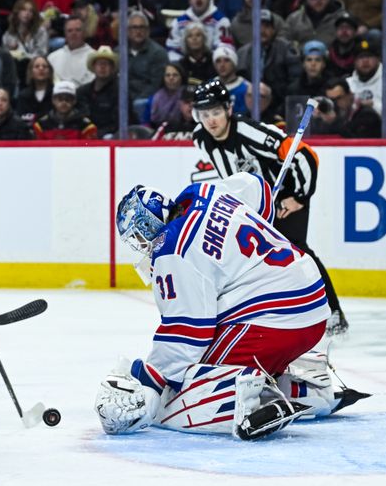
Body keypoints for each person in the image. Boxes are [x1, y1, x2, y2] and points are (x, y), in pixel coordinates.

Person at [94, 171, 368, 439]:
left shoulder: (172, 249)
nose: (140, 244)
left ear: (149, 224)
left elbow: (188, 330)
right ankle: (309, 387)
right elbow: (259, 190)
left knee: (181, 390)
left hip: (274, 320)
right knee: (197, 361)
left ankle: (250, 400)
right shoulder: (206, 193)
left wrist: (153, 380)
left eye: (138, 236)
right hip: (311, 301)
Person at [191, 79, 348, 335]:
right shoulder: (201, 137)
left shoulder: (248, 132)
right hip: (254, 207)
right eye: (204, 114)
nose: (211, 120)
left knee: (298, 253)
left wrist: (299, 197)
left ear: (229, 109)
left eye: (216, 112)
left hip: (285, 199)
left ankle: (332, 312)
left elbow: (305, 155)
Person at [236, 9, 301, 116]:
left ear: (273, 30)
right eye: (258, 26)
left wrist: (284, 106)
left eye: (266, 26)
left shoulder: (285, 49)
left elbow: (295, 80)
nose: (262, 31)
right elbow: (239, 82)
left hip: (279, 106)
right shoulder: (242, 53)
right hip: (250, 107)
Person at [347, 35, 386, 129]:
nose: (365, 61)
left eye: (369, 56)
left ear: (378, 59)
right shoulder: (348, 84)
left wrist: (374, 105)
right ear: (354, 62)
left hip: (384, 138)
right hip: (351, 136)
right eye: (361, 57)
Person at [126, 10, 168, 121]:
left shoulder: (158, 53)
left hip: (146, 101)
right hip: (123, 102)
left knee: (140, 104)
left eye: (142, 27)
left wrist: (133, 102)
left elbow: (156, 85)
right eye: (134, 28)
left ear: (148, 31)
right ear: (128, 31)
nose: (138, 31)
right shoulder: (118, 52)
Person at [166, 0, 234, 61]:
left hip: (213, 68)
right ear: (189, 0)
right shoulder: (178, 23)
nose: (199, 0)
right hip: (184, 68)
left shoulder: (221, 21)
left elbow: (224, 51)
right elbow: (172, 50)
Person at [77, 45, 120, 138]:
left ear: (112, 68)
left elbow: (118, 123)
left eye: (106, 64)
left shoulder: (120, 93)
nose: (102, 67)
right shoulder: (82, 92)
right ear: (93, 67)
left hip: (109, 136)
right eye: (99, 63)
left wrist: (99, 134)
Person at [33, 80, 97, 139]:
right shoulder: (42, 125)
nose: (64, 103)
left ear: (74, 101)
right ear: (53, 100)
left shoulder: (85, 126)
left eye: (67, 99)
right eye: (60, 99)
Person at [47, 16, 95, 87]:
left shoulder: (94, 57)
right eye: (70, 30)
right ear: (65, 34)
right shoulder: (52, 58)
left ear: (84, 32)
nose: (73, 33)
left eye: (78, 30)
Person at [282, 0, 348, 47]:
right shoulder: (294, 19)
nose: (318, 0)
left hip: (333, 63)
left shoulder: (344, 19)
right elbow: (283, 43)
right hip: (299, 62)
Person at [15, 55, 54, 126]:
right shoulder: (23, 96)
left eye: (44, 66)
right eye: (37, 66)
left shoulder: (56, 94)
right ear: (31, 72)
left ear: (49, 72)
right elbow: (21, 119)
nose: (41, 68)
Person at [145, 63, 186, 129]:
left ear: (181, 77)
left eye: (175, 75)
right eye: (167, 75)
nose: (171, 78)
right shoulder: (155, 98)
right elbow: (146, 123)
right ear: (163, 78)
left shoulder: (188, 96)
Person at [176, 22, 216, 87]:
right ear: (185, 41)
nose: (194, 38)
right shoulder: (181, 65)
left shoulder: (214, 61)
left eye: (198, 35)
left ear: (204, 39)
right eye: (190, 36)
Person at [212, 44, 248, 114]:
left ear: (234, 63)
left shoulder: (246, 87)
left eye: (227, 60)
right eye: (218, 61)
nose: (222, 65)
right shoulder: (209, 87)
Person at [327, 12, 359, 78]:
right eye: (341, 28)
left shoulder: (362, 50)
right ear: (336, 31)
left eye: (348, 28)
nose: (344, 32)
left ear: (355, 32)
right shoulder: (329, 51)